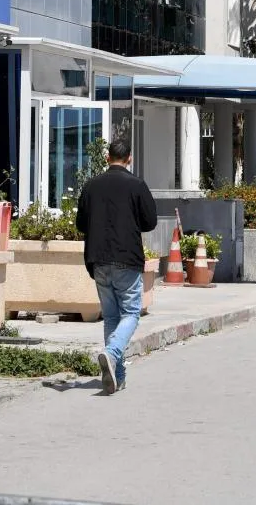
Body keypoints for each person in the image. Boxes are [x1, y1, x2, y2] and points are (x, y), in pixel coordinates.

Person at [76, 139, 158, 395]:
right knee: (131, 313)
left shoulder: (91, 186)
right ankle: (111, 354)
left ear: (107, 157)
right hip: (126, 258)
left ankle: (117, 376)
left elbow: (81, 224)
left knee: (111, 317)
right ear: (129, 158)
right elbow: (150, 222)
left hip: (98, 259)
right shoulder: (137, 185)